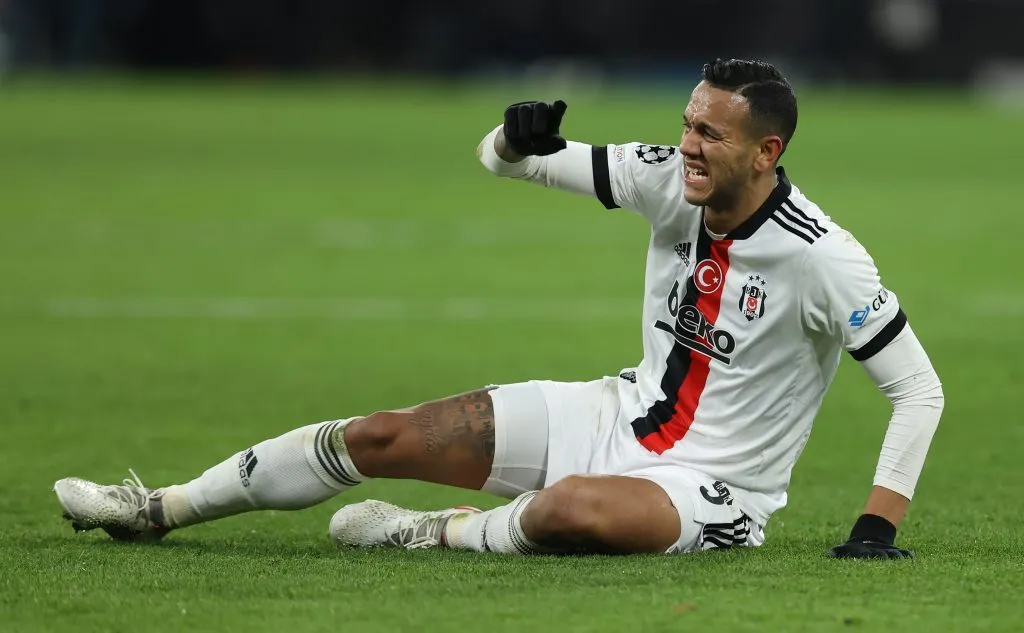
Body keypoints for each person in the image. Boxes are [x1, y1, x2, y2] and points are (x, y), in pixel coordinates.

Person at [54, 58, 944, 558]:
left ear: (768, 150)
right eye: (686, 123)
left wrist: (876, 526)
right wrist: (513, 137)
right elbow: (506, 163)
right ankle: (157, 509)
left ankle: (429, 532)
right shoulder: (669, 178)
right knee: (380, 437)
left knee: (572, 512)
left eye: (711, 133)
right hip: (613, 411)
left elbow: (918, 390)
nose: (688, 146)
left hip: (714, 489)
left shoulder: (825, 257)